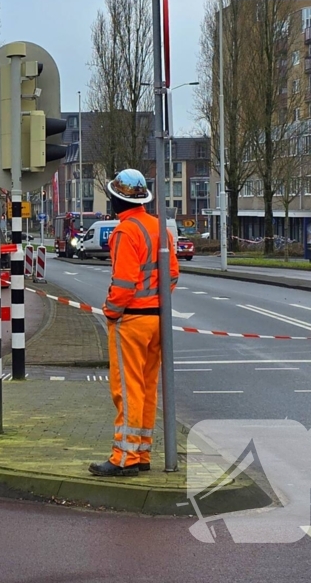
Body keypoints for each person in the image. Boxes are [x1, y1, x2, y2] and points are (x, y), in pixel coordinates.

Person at [89, 170, 179, 478]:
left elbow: (124, 284)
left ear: (116, 199)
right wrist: (157, 299)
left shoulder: (126, 232)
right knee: (147, 387)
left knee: (127, 390)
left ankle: (123, 458)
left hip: (131, 321)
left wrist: (111, 311)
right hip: (157, 321)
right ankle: (141, 451)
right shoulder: (160, 228)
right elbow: (173, 275)